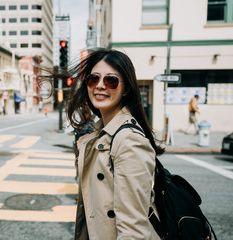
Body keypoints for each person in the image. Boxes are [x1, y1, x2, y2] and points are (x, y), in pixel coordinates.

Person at [41, 49, 164, 239]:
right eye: (93, 79)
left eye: (111, 80)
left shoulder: (130, 142)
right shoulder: (100, 134)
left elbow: (134, 231)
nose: (100, 85)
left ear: (127, 89)